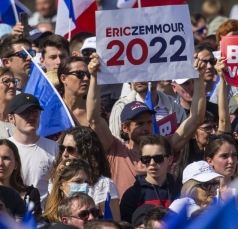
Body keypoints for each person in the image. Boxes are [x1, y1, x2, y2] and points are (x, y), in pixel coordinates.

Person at [87, 53, 207, 196]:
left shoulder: (165, 148)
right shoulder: (116, 150)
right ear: (125, 128)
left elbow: (196, 119)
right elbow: (93, 119)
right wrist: (94, 77)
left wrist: (199, 76)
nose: (146, 127)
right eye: (139, 123)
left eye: (149, 122)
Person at [53, 126, 120, 221]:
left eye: (70, 149)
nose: (65, 153)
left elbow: (114, 223)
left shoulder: (104, 184)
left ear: (86, 151)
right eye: (62, 148)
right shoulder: (55, 180)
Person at [6, 93, 58, 206]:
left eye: (35, 112)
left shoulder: (54, 147)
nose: (31, 116)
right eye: (24, 112)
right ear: (11, 118)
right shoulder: (4, 149)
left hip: (44, 217)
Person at [120, 135, 181, 222]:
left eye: (158, 158)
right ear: (141, 161)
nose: (152, 163)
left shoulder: (181, 192)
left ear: (170, 160)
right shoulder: (132, 195)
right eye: (146, 159)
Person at [109, 80, 186, 139]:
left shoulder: (175, 108)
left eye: (144, 73)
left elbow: (183, 143)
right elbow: (118, 148)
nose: (138, 79)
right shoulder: (121, 108)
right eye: (134, 73)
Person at [0, 139, 42, 216]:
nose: (0, 163)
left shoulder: (30, 194)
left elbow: (37, 225)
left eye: (6, 158)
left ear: (16, 164)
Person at [42, 158, 91, 223]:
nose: (84, 186)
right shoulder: (47, 221)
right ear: (61, 185)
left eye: (86, 181)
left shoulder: (92, 216)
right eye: (78, 181)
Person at [173, 112, 216, 183]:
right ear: (192, 134)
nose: (213, 132)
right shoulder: (179, 161)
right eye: (207, 128)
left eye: (214, 127)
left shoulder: (217, 154)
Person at [58, 56, 91, 126]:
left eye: (88, 74)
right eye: (80, 74)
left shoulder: (97, 110)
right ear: (63, 79)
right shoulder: (53, 112)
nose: (86, 78)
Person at [204, 134, 238, 200]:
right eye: (224, 156)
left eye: (234, 155)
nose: (231, 161)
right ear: (210, 161)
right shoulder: (202, 194)